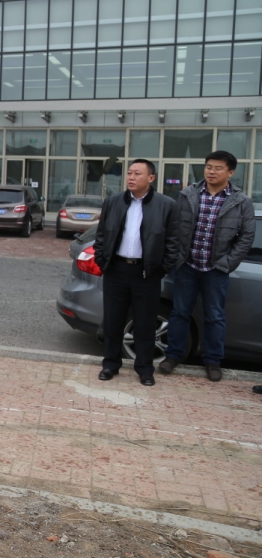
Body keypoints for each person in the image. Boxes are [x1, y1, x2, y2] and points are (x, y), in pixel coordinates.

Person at [159, 150, 256, 383]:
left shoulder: (241, 201)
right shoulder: (188, 194)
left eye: (218, 168)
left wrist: (227, 264)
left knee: (215, 317)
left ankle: (213, 361)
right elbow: (173, 228)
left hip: (216, 270)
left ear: (230, 172)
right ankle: (173, 356)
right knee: (180, 313)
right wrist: (175, 258)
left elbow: (246, 237)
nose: (211, 171)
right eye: (208, 167)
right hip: (186, 266)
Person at [93, 159, 178, 387]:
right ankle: (110, 365)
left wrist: (161, 269)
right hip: (116, 270)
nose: (131, 177)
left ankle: (144, 369)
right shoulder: (113, 202)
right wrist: (102, 260)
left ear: (151, 178)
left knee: (145, 324)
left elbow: (173, 242)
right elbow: (101, 234)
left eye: (137, 174)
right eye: (129, 173)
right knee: (112, 322)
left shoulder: (167, 205)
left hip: (146, 273)